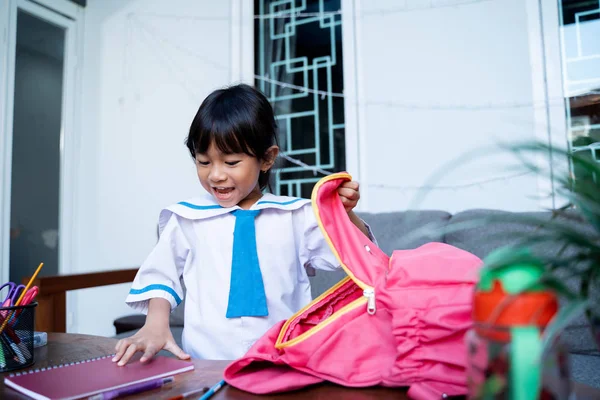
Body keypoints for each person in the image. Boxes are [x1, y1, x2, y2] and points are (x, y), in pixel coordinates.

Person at [113, 84, 374, 365]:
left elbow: (357, 257)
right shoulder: (186, 219)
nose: (215, 175)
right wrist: (155, 324)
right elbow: (160, 274)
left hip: (285, 359)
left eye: (231, 162)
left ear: (266, 158)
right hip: (206, 362)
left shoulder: (297, 217)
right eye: (203, 162)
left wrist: (345, 214)